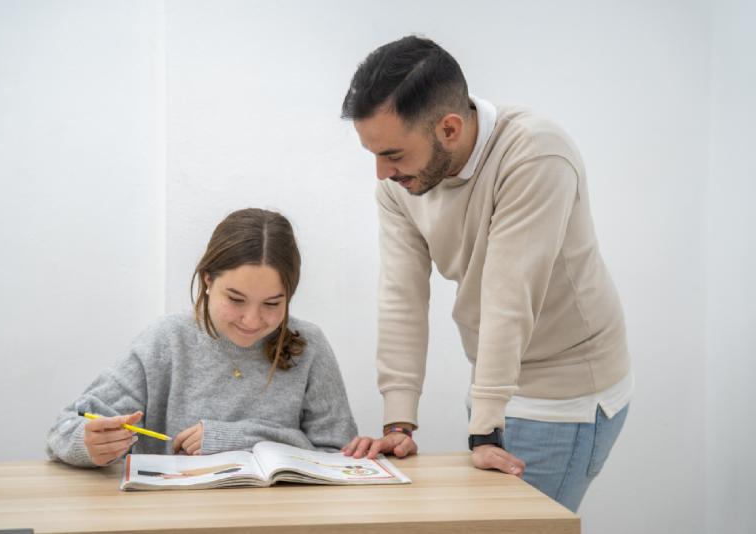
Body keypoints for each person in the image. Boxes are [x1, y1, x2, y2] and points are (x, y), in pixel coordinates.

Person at [339, 35, 632, 512]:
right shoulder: (399, 187)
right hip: (496, 383)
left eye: (392, 154)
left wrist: (487, 428)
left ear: (449, 129)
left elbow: (508, 294)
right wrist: (399, 423)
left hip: (566, 394)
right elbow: (401, 299)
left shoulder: (534, 154)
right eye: (372, 154)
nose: (379, 173)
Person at [47, 208, 357, 467]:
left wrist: (235, 438)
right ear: (208, 280)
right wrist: (89, 444)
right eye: (235, 300)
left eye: (273, 303)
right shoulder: (167, 341)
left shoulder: (309, 345)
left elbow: (339, 454)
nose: (251, 320)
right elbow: (64, 429)